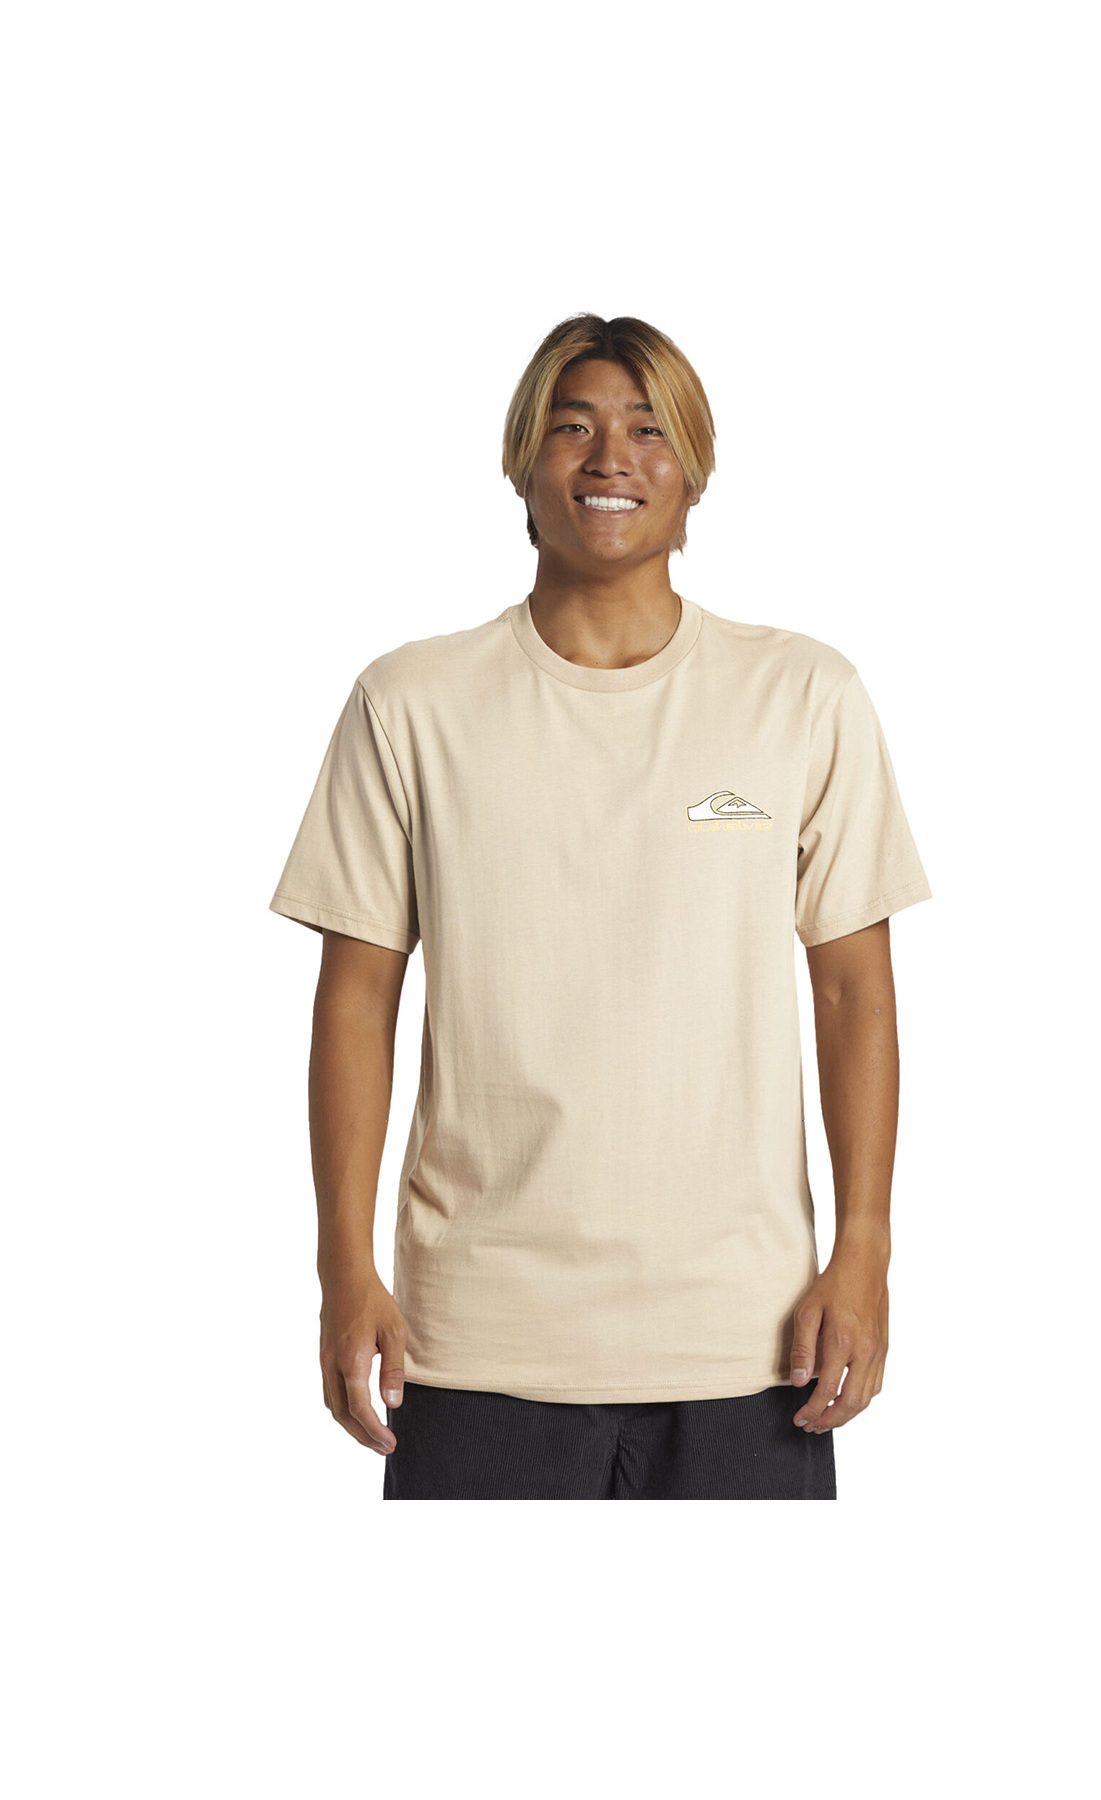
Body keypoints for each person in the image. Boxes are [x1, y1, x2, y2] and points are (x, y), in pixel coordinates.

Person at [268, 312, 932, 1500]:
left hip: (749, 1337)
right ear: (524, 460)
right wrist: (342, 1269)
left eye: (648, 430)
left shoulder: (801, 695)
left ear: (695, 472)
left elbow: (853, 993)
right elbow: (357, 1002)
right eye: (573, 428)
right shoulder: (410, 702)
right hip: (475, 1338)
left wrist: (866, 1250)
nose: (611, 458)